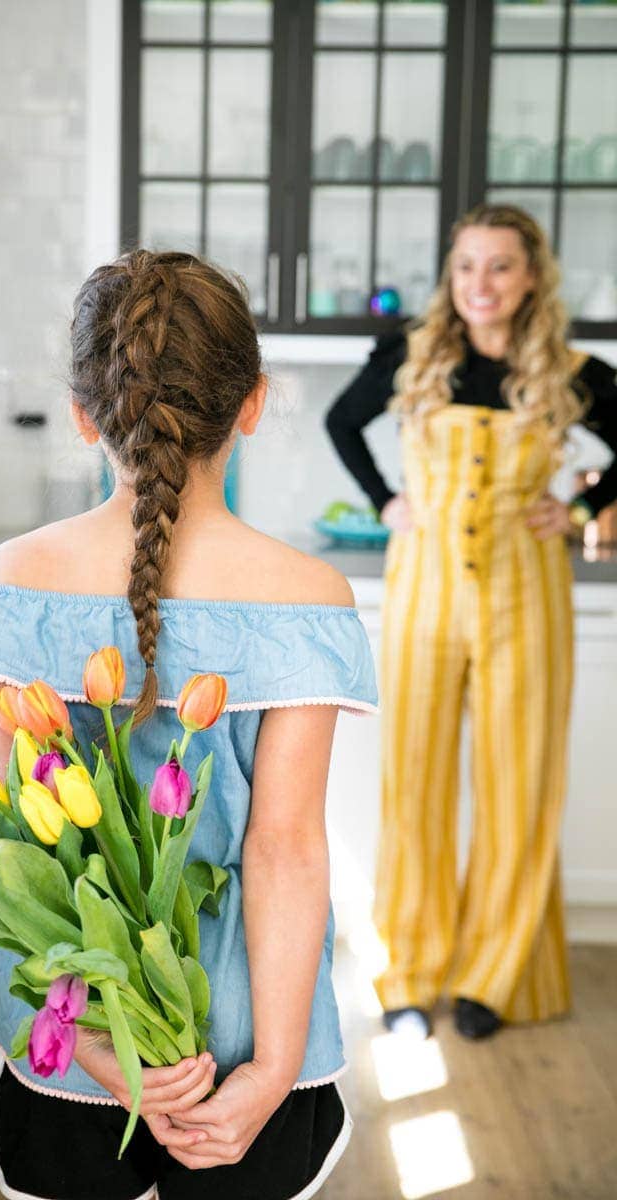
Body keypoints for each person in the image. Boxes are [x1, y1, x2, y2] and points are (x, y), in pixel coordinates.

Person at [0, 250, 378, 1200]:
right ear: (251, 403)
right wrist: (270, 1068)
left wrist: (93, 1039)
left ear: (84, 411)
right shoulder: (309, 595)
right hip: (246, 1059)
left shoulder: (14, 579)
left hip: (74, 1054)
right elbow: (286, 851)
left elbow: (29, 854)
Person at [325, 203, 617, 1043]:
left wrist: (582, 506)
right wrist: (387, 500)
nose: (480, 285)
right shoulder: (412, 358)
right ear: (449, 278)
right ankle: (411, 976)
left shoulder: (567, 369)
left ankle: (498, 976)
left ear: (532, 279)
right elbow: (341, 422)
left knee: (518, 789)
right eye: (466, 267)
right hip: (425, 596)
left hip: (530, 600)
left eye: (499, 267)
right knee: (413, 785)